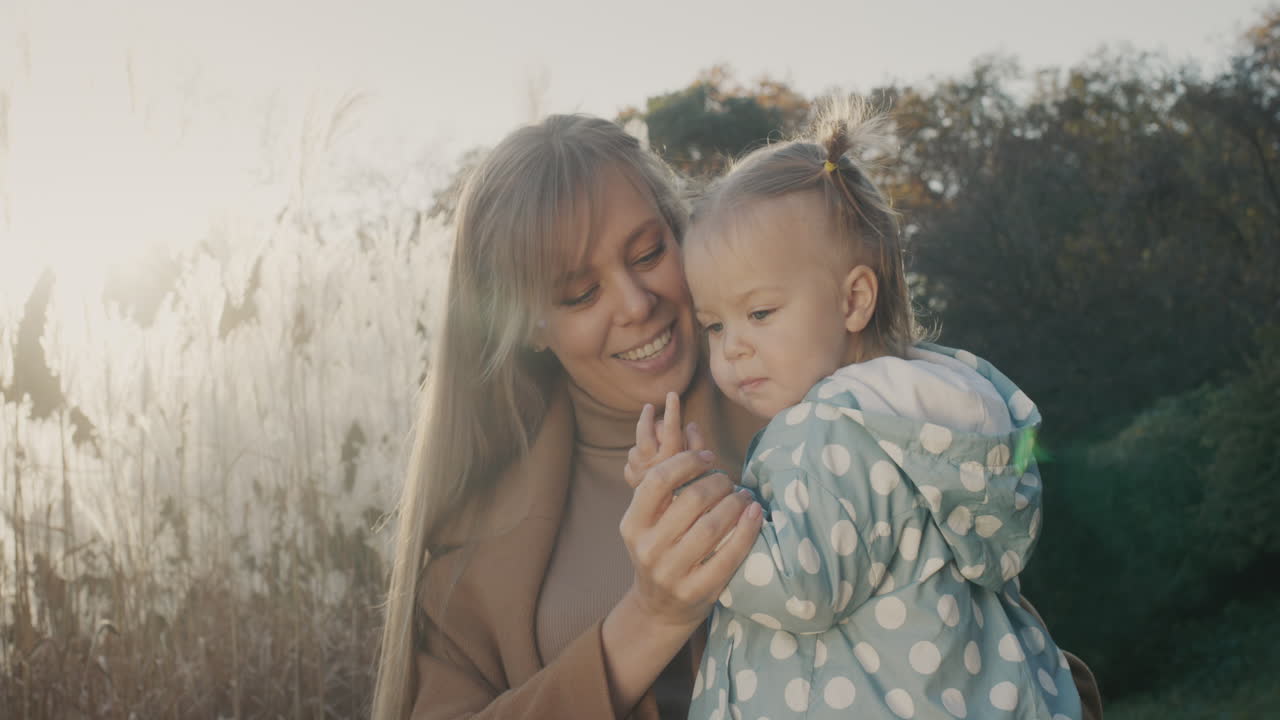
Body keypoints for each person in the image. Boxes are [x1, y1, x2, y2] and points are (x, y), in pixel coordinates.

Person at [370, 112, 1103, 720]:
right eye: (578, 293)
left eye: (649, 252)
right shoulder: (468, 556)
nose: (635, 303)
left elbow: (980, 632)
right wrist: (651, 618)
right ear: (529, 324)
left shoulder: (830, 411)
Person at [626, 97, 1084, 719]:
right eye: (713, 324)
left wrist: (685, 498)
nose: (733, 346)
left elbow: (795, 585)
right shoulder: (909, 419)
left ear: (854, 300)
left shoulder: (828, 430)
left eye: (759, 312)